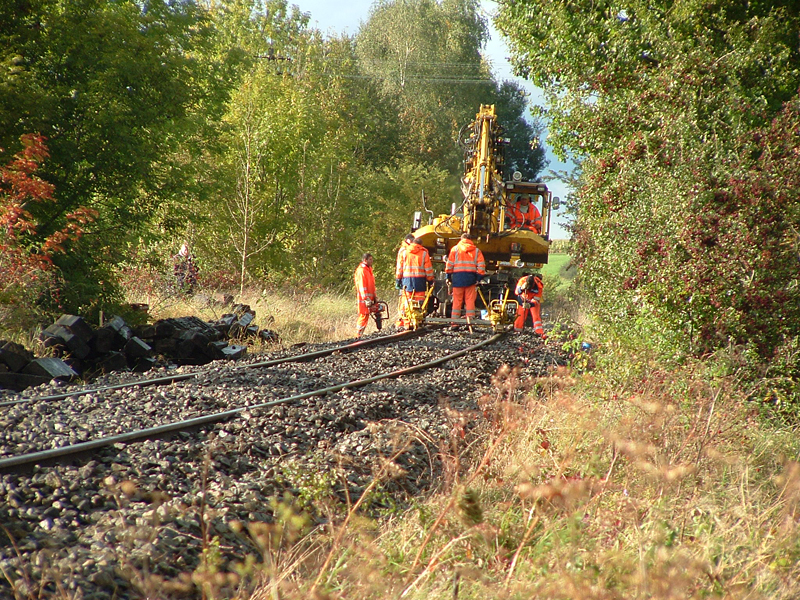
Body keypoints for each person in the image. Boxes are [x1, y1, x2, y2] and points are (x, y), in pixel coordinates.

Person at [445, 233, 486, 330]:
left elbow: (449, 264)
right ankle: (470, 323)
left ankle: (454, 323)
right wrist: (478, 278)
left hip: (457, 278)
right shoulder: (476, 251)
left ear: (461, 239)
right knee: (470, 301)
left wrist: (448, 276)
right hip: (471, 279)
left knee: (457, 301)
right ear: (470, 239)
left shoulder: (455, 249)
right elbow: (481, 266)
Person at [396, 237, 434, 329]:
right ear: (420, 245)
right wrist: (430, 280)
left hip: (407, 280)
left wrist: (398, 279)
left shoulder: (404, 252)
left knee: (407, 301)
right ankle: (418, 320)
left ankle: (406, 322)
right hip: (420, 281)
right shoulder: (424, 253)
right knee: (419, 301)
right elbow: (428, 269)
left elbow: (400, 268)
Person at [354, 253, 378, 338]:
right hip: (364, 298)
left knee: (377, 311)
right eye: (370, 259)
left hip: (369, 298)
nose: (372, 261)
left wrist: (374, 296)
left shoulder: (368, 270)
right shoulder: (362, 271)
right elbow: (362, 286)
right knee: (363, 315)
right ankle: (358, 335)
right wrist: (366, 298)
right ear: (365, 260)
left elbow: (371, 285)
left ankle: (379, 330)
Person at [394, 234, 415, 328]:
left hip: (405, 277)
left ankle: (403, 320)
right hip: (405, 278)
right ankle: (403, 320)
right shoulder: (404, 250)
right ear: (408, 240)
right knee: (405, 300)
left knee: (405, 299)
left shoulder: (406, 250)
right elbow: (400, 266)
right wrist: (398, 278)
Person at [514, 272, 544, 336]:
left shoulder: (539, 286)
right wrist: (521, 288)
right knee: (520, 315)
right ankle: (517, 330)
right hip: (522, 298)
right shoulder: (522, 281)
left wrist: (530, 304)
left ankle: (539, 332)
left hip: (533, 300)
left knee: (536, 316)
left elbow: (537, 299)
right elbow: (517, 292)